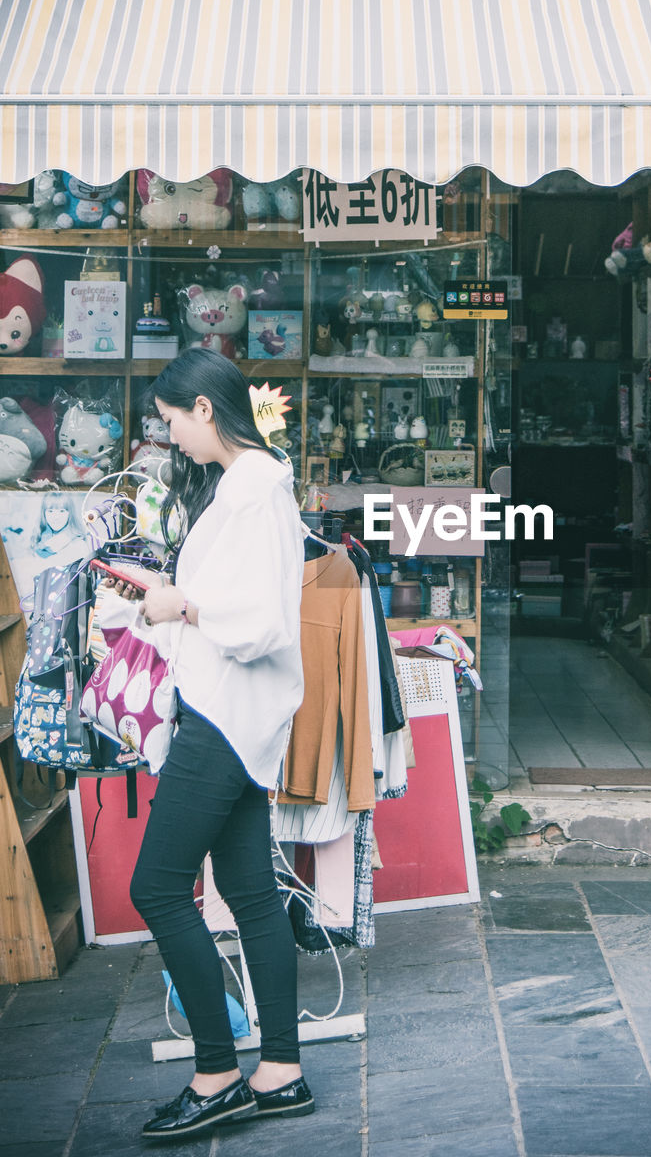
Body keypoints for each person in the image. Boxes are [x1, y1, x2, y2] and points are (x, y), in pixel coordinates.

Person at [126, 347, 309, 1140]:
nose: (173, 441)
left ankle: (215, 1073)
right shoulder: (246, 487)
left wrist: (179, 607)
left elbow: (261, 621)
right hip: (236, 713)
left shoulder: (255, 492)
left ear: (204, 409)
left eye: (173, 424)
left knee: (158, 887)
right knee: (252, 894)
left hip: (225, 715)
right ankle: (281, 1071)